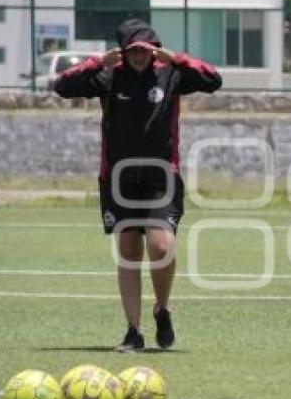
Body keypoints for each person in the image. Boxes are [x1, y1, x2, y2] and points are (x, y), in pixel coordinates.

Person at [54, 19, 222, 352]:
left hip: (162, 178)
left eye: (145, 50)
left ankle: (162, 308)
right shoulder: (108, 76)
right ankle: (133, 330)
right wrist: (96, 62)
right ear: (123, 50)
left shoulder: (171, 74)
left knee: (161, 248)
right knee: (129, 251)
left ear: (154, 48)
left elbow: (213, 79)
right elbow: (61, 85)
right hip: (118, 180)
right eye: (133, 50)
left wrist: (176, 58)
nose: (139, 56)